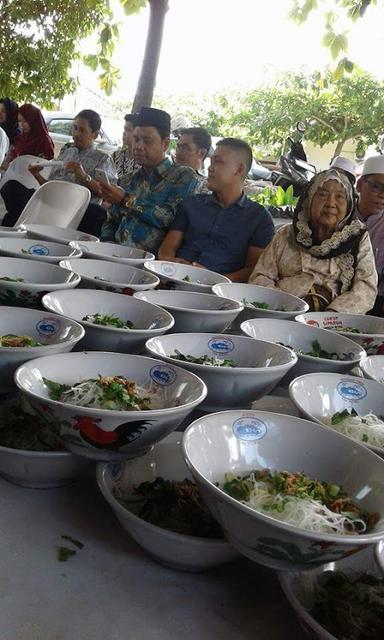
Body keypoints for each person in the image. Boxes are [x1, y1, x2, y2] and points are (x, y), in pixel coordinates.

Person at [249, 168, 377, 314]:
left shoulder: (357, 238)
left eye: (340, 197)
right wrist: (284, 305)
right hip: (283, 311)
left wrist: (332, 316)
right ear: (309, 199)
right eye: (322, 194)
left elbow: (366, 288)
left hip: (332, 321)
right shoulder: (286, 233)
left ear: (348, 204)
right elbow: (260, 276)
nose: (331, 203)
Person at [158, 138, 274, 282]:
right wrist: (170, 262)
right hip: (175, 279)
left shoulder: (259, 218)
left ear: (239, 169)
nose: (210, 168)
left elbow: (254, 269)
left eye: (218, 162)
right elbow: (168, 246)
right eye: (211, 161)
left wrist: (213, 281)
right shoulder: (192, 204)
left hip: (219, 293)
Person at [99, 107, 199, 253]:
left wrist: (126, 200)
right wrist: (105, 246)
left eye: (147, 141)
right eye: (136, 139)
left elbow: (168, 219)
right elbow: (111, 221)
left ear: (165, 144)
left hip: (151, 265)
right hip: (114, 255)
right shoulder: (127, 180)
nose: (138, 146)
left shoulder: (183, 177)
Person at [1, 109, 117, 232]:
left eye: (82, 130)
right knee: (11, 187)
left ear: (95, 134)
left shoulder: (103, 159)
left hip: (76, 208)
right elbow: (49, 185)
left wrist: (83, 175)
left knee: (97, 213)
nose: (76, 134)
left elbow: (106, 193)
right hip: (52, 201)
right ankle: (17, 233)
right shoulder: (67, 152)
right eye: (75, 128)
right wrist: (37, 175)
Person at [355, 155, 384, 316]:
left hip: (376, 301)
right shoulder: (339, 216)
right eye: (377, 187)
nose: (383, 195)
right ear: (359, 185)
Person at [175, 127, 211, 192]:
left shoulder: (205, 188)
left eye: (185, 148)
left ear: (202, 153)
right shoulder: (167, 177)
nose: (178, 152)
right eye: (178, 147)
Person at [112, 113, 140, 183]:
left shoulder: (142, 160)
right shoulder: (116, 155)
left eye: (128, 130)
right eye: (124, 129)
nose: (124, 133)